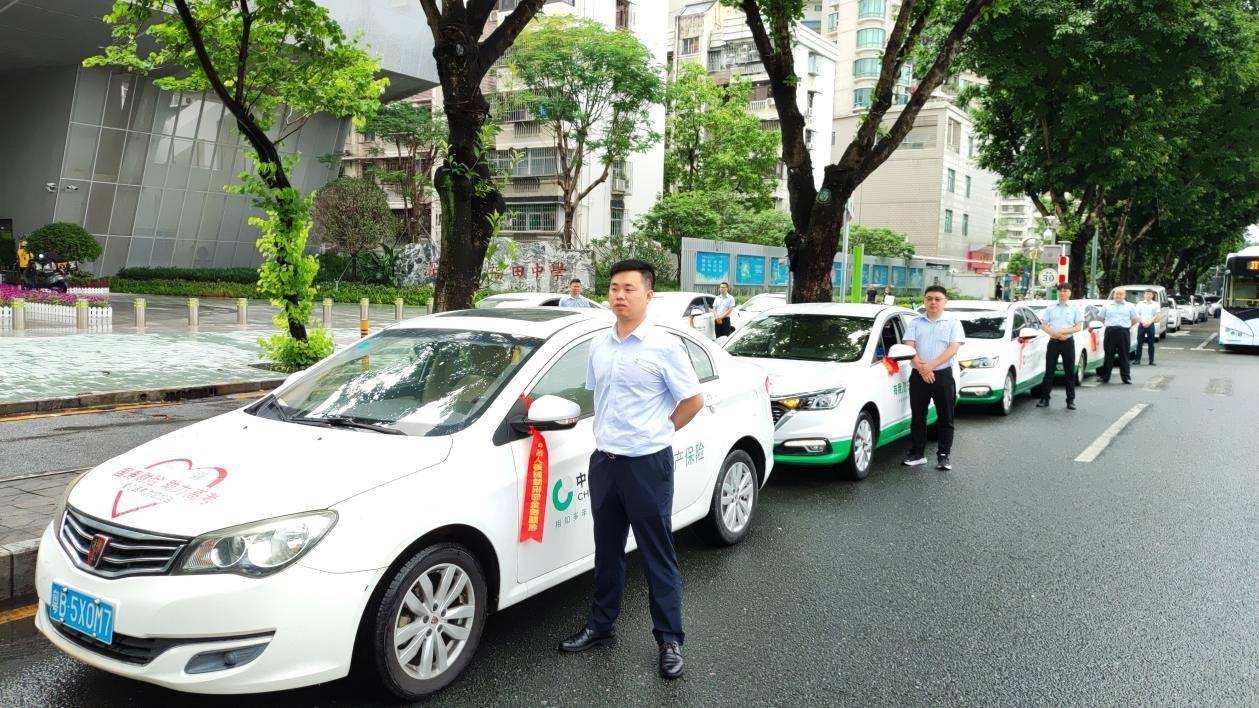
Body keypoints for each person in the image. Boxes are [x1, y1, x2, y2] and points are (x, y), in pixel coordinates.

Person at [559, 259, 705, 680]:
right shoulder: (599, 345)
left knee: (656, 553)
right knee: (606, 550)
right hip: (605, 461)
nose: (619, 295)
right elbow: (599, 397)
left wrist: (661, 430)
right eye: (614, 288)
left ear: (648, 295)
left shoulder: (665, 346)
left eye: (629, 288)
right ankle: (601, 626)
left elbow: (691, 400)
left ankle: (670, 640)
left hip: (648, 463)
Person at [902, 285, 965, 471]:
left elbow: (953, 348)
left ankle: (944, 456)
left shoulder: (953, 323)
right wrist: (922, 367)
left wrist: (930, 365)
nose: (933, 302)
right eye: (929, 298)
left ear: (945, 301)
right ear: (924, 300)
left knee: (946, 417)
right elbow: (909, 347)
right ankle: (917, 453)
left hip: (943, 375)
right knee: (918, 416)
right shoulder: (915, 322)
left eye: (937, 299)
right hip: (918, 375)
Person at [1037, 285, 1083, 410]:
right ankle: (1044, 399)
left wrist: (1064, 332)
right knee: (1049, 371)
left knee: (1069, 372)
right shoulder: (1051, 308)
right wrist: (1055, 333)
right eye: (1060, 291)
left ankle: (1070, 400)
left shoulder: (1074, 308)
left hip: (1068, 342)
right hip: (1053, 342)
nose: (1062, 293)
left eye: (1065, 291)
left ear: (1070, 293)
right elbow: (1043, 325)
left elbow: (1078, 327)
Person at [1098, 288, 1139, 384]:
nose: (1118, 296)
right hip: (1110, 331)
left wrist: (1127, 327)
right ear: (1113, 295)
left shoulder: (1130, 306)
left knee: (1124, 355)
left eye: (1121, 294)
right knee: (1108, 355)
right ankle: (1105, 377)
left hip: (1124, 332)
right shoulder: (1107, 306)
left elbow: (1135, 320)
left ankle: (1126, 377)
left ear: (1124, 296)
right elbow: (1100, 318)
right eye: (1117, 294)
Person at [1134, 289, 1159, 365]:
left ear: (1152, 295)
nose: (1148, 295)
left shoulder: (1155, 304)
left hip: (1150, 324)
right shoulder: (1140, 304)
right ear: (1144, 295)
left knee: (1151, 343)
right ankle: (1137, 360)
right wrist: (1143, 322)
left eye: (1150, 294)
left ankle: (1151, 361)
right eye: (1147, 294)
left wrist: (1149, 322)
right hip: (1141, 324)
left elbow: (1156, 315)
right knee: (1139, 343)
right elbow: (1137, 314)